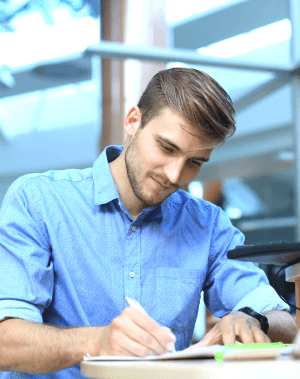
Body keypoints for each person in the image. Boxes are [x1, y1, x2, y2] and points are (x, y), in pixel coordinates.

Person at [0, 68, 297, 378]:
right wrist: (97, 341)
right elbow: (4, 344)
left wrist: (253, 319)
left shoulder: (207, 225)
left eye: (194, 162)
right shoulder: (39, 200)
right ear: (133, 121)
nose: (174, 176)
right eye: (167, 148)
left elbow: (285, 323)